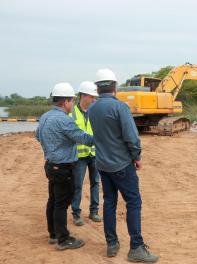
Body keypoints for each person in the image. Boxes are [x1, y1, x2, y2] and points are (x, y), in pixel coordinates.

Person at [89, 69, 159, 262]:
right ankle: (136, 247)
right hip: (121, 165)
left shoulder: (92, 108)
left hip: (102, 165)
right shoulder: (120, 107)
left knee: (109, 203)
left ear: (97, 87)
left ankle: (112, 244)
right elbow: (131, 136)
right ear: (114, 86)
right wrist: (136, 156)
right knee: (133, 203)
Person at [36, 83, 94, 250]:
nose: (73, 104)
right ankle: (63, 239)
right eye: (72, 101)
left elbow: (37, 135)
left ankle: (53, 234)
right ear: (66, 101)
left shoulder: (45, 116)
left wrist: (52, 145)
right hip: (63, 167)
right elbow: (85, 139)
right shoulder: (64, 120)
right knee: (61, 203)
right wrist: (104, 137)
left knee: (53, 200)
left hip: (51, 165)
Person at [70, 81, 101, 226]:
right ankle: (76, 213)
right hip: (79, 156)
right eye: (92, 97)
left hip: (95, 154)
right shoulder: (72, 112)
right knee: (77, 185)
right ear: (83, 96)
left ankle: (94, 211)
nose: (94, 100)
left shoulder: (96, 111)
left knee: (95, 182)